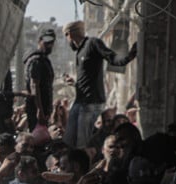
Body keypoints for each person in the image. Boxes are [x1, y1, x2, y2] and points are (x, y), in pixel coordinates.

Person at [62, 21, 137, 149]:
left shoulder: (93, 43)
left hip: (92, 101)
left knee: (82, 143)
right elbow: (87, 77)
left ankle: (83, 165)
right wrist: (74, 82)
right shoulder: (79, 52)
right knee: (68, 140)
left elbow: (112, 58)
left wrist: (128, 57)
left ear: (70, 34)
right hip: (80, 100)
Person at [24, 28, 57, 132]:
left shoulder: (44, 60)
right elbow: (35, 86)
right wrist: (39, 110)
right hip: (36, 109)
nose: (49, 45)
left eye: (52, 42)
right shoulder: (36, 61)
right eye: (47, 41)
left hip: (44, 108)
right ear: (40, 41)